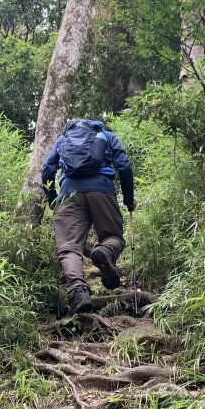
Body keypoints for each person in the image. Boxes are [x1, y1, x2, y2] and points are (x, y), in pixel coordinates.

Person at [42, 118, 135, 314]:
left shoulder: (63, 139)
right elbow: (124, 167)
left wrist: (52, 198)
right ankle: (105, 251)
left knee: (69, 247)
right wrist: (129, 200)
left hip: (69, 194)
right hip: (102, 189)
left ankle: (79, 291)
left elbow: (47, 170)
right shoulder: (107, 136)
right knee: (113, 236)